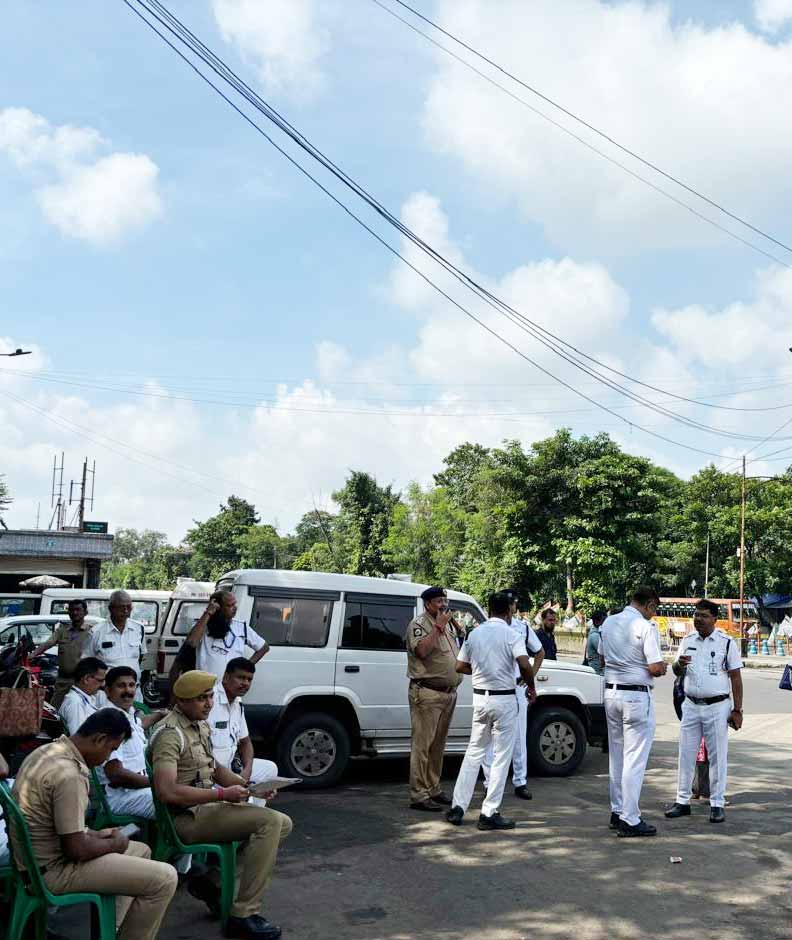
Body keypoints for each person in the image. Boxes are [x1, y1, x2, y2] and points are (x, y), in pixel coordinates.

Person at [10, 709, 177, 940]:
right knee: (165, 878)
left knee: (141, 850)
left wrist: (98, 836)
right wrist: (113, 844)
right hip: (53, 872)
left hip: (34, 862)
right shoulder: (70, 774)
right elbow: (76, 849)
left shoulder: (47, 751)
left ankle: (113, 930)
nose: (108, 757)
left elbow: (59, 829)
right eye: (111, 749)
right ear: (99, 739)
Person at [150, 670, 292, 940]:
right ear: (181, 700)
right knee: (270, 822)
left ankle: (212, 881)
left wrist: (248, 788)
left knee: (282, 823)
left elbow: (214, 768)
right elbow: (166, 791)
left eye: (209, 697)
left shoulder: (198, 724)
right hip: (185, 818)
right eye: (201, 698)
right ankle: (244, 914)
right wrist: (222, 795)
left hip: (206, 810)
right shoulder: (170, 734)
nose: (209, 703)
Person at [446, 591, 537, 831]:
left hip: (480, 700)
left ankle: (458, 806)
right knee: (501, 756)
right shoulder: (511, 634)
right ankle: (489, 812)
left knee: (474, 752)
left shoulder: (475, 634)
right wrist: (531, 686)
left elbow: (459, 665)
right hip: (504, 700)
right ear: (508, 611)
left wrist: (479, 671)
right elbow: (525, 664)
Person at [665, 599, 743, 824]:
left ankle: (717, 804)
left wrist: (737, 710)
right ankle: (682, 801)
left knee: (718, 756)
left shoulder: (726, 643)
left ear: (715, 619)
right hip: (690, 705)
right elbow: (676, 670)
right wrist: (679, 664)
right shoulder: (687, 641)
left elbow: (736, 678)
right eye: (696, 615)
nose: (698, 619)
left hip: (717, 707)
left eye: (704, 615)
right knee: (686, 754)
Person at [599, 586, 667, 837]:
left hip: (612, 693)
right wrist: (663, 667)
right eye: (655, 609)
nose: (654, 614)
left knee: (617, 756)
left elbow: (603, 659)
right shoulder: (644, 627)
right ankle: (630, 818)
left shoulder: (608, 622)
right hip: (636, 696)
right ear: (649, 605)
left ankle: (617, 811)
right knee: (635, 759)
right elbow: (655, 667)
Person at [482, 589, 544, 800]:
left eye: (513, 603)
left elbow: (539, 651)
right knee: (489, 738)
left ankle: (520, 781)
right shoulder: (487, 627)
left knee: (519, 735)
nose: (512, 607)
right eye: (510, 603)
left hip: (516, 688)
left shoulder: (522, 627)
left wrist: (530, 678)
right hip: (496, 686)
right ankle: (489, 781)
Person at [405, 586, 463, 811]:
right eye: (439, 601)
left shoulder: (446, 625)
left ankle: (433, 788)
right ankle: (419, 795)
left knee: (438, 746)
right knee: (422, 745)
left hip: (447, 694)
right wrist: (439, 627)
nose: (443, 605)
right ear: (428, 603)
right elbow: (422, 652)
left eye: (444, 601)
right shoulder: (420, 625)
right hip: (427, 693)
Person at [100, 666, 166, 819]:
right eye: (121, 686)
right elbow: (116, 775)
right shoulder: (109, 720)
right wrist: (157, 783)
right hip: (123, 796)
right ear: (108, 691)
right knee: (177, 801)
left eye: (131, 685)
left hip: (142, 789)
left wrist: (160, 714)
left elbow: (139, 724)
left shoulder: (127, 714)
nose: (128, 691)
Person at [208, 657, 278, 802]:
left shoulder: (237, 703)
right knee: (248, 795)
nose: (245, 683)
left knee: (269, 768)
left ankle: (253, 815)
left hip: (232, 769)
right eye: (241, 677)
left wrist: (247, 770)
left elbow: (245, 742)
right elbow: (204, 756)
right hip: (211, 773)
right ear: (226, 677)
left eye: (249, 679)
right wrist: (240, 782)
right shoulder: (209, 701)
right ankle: (249, 814)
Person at [185, 591, 269, 680]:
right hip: (206, 686)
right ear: (218, 607)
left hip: (229, 688)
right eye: (230, 605)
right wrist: (208, 612)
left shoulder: (241, 626)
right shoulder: (202, 625)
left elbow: (264, 647)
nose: (235, 608)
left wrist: (245, 667)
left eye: (234, 604)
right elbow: (192, 642)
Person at [83, 590, 147, 702]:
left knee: (137, 719)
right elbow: (87, 664)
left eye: (129, 607)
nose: (126, 610)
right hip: (108, 694)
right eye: (121, 607)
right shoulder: (96, 632)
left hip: (134, 693)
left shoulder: (139, 629)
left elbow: (139, 658)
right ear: (111, 608)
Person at [31, 599, 94, 708]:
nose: (75, 613)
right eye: (72, 610)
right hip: (63, 680)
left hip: (82, 682)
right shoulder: (62, 630)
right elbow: (48, 643)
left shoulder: (92, 632)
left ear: (85, 612)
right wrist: (32, 655)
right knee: (55, 710)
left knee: (80, 711)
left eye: (78, 610)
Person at [58, 656, 107, 734]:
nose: (103, 685)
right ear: (86, 679)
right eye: (100, 680)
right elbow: (77, 738)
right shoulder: (75, 702)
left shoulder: (85, 698)